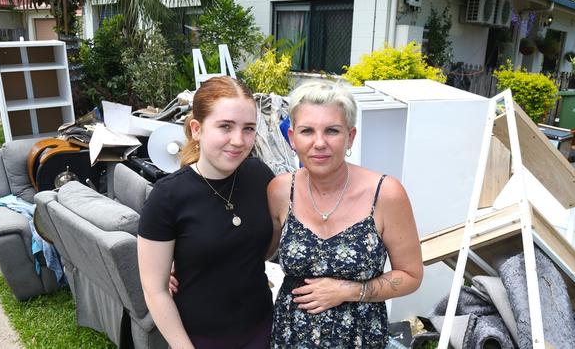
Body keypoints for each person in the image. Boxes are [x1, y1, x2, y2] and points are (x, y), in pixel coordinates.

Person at [267, 81, 424, 348]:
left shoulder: (386, 193)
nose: (319, 143)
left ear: (350, 137)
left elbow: (411, 275)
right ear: (293, 138)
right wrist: (181, 265)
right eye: (307, 131)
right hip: (291, 337)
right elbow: (254, 252)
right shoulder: (281, 190)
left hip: (359, 338)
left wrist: (349, 291)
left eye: (332, 131)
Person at [137, 76, 275, 349]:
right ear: (197, 129)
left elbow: (259, 248)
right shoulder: (167, 197)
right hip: (201, 338)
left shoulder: (260, 176)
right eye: (225, 126)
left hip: (263, 328)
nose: (238, 140)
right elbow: (154, 290)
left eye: (248, 129)